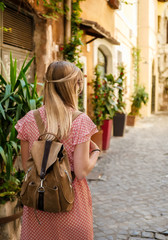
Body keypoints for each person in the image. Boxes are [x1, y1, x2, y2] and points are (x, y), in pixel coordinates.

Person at [15, 61, 100, 240]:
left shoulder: (30, 119)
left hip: (38, 204)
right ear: (73, 86)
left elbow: (26, 166)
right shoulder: (79, 121)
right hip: (70, 202)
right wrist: (96, 152)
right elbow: (81, 171)